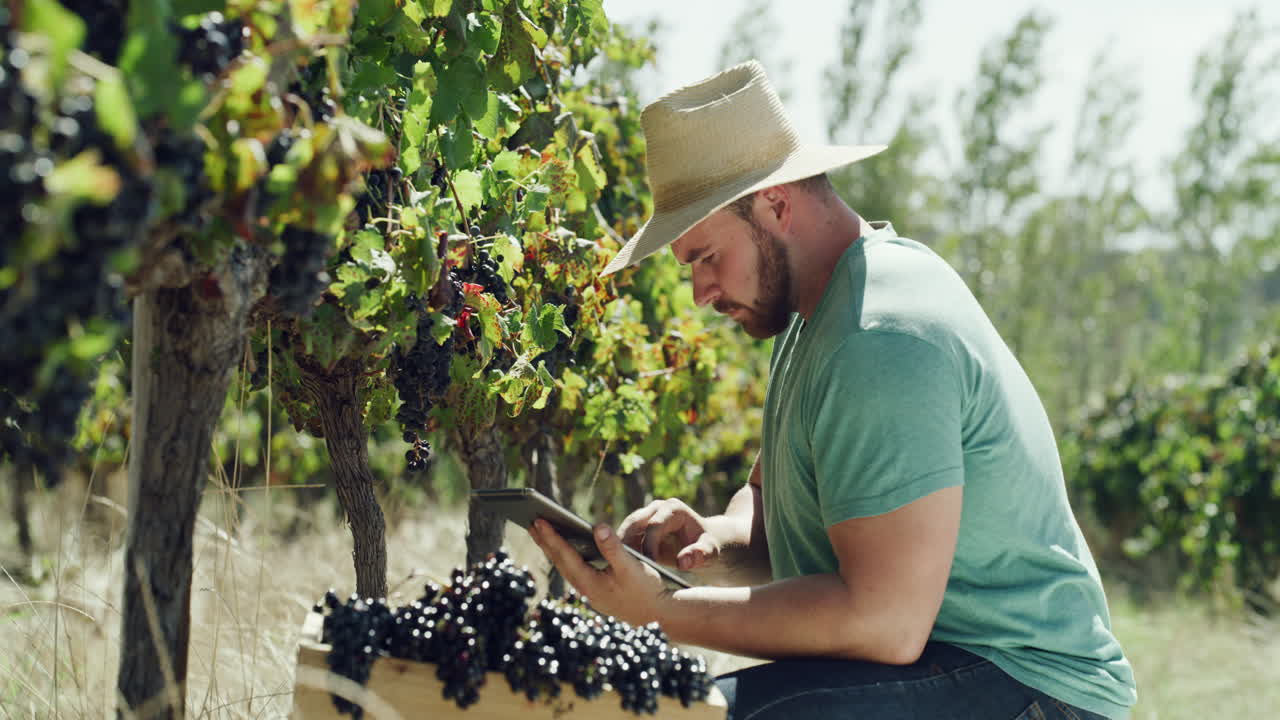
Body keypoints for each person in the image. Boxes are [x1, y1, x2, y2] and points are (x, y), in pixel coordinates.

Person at [527, 60, 1137, 720]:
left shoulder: (880, 334)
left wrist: (661, 611)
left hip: (1029, 687)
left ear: (777, 204)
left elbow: (885, 623)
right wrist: (710, 541)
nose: (701, 293)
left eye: (707, 257)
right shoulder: (816, 318)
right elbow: (779, 517)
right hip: (955, 666)